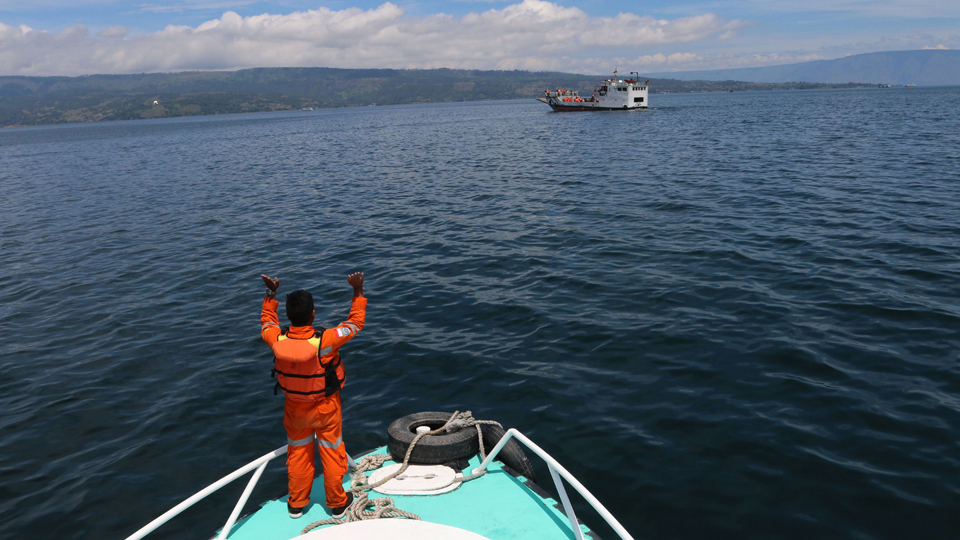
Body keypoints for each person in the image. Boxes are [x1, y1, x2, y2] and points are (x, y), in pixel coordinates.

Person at [259, 272, 367, 519]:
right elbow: (355, 324)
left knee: (298, 453)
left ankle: (296, 504)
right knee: (331, 452)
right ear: (313, 314)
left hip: (295, 409)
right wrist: (357, 292)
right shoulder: (326, 341)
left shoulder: (276, 338)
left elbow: (267, 322)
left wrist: (270, 295)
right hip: (325, 408)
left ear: (287, 316)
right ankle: (338, 504)